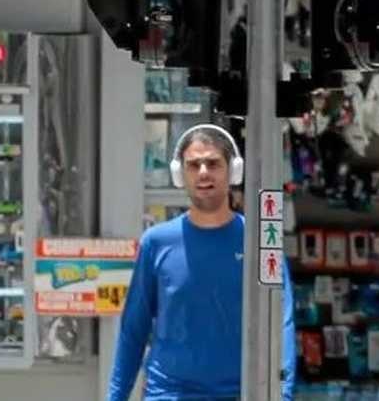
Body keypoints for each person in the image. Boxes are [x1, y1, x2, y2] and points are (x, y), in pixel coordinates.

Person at [107, 123, 296, 401]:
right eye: (194, 165)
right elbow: (133, 330)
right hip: (168, 394)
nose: (204, 172)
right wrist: (116, 397)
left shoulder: (260, 242)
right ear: (180, 174)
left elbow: (283, 322)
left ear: (233, 171)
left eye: (213, 163)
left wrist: (284, 394)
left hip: (240, 394)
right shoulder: (156, 243)